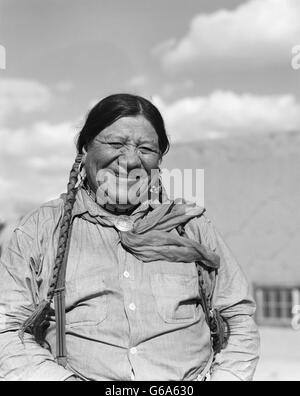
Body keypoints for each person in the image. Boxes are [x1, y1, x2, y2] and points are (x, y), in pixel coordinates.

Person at [0, 94, 259, 381]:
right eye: (115, 144)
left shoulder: (192, 226)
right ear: (84, 148)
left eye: (147, 148)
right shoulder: (41, 229)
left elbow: (239, 319)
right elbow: (8, 329)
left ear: (159, 159)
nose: (131, 160)